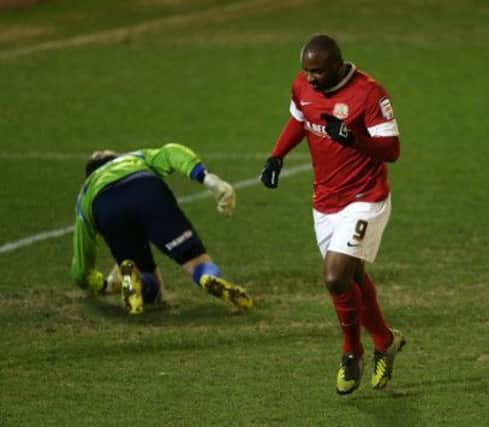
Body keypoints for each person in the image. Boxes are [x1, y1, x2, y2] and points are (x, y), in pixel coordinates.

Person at [260, 34, 405, 395]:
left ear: (338, 65)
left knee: (334, 276)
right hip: (325, 201)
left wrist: (354, 138)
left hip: (365, 198)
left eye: (318, 72)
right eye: (306, 71)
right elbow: (299, 119)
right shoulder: (302, 85)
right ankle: (385, 341)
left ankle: (351, 351)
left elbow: (392, 149)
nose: (310, 78)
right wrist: (276, 155)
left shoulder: (369, 94)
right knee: (353, 277)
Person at [71, 142, 254, 314]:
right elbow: (172, 152)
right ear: (116, 159)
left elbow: (81, 269)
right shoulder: (134, 158)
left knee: (149, 283)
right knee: (195, 260)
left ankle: (137, 280)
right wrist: (206, 178)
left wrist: (101, 284)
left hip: (104, 206)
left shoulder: (84, 196)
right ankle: (206, 277)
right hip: (144, 187)